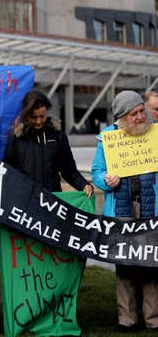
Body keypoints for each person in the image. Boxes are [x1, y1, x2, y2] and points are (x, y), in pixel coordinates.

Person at [92, 90, 158, 332]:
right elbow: (97, 171)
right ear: (122, 117)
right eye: (135, 113)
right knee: (125, 264)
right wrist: (105, 180)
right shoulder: (108, 139)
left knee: (152, 261)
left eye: (142, 111)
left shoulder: (155, 134)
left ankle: (153, 318)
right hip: (122, 208)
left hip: (152, 207)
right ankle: (127, 319)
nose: (141, 117)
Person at [4, 90, 93, 196]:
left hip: (52, 200)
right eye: (34, 117)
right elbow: (8, 170)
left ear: (47, 112)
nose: (38, 121)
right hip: (25, 200)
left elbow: (68, 169)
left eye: (42, 116)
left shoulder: (58, 135)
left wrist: (84, 185)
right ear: (26, 115)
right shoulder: (16, 136)